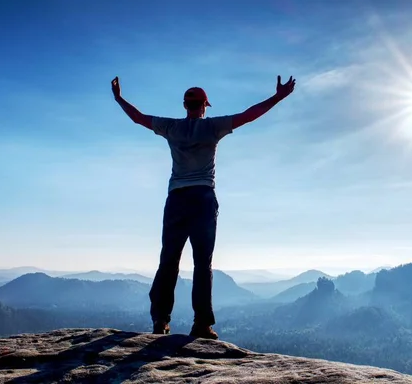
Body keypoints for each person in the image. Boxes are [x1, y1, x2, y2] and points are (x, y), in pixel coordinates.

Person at [111, 75, 296, 339]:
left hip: (176, 199)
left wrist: (118, 98)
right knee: (202, 263)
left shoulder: (171, 127)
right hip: (203, 199)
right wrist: (278, 97)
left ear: (185, 106)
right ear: (205, 106)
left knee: (169, 261)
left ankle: (160, 320)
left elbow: (138, 117)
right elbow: (248, 115)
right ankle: (201, 324)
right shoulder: (213, 128)